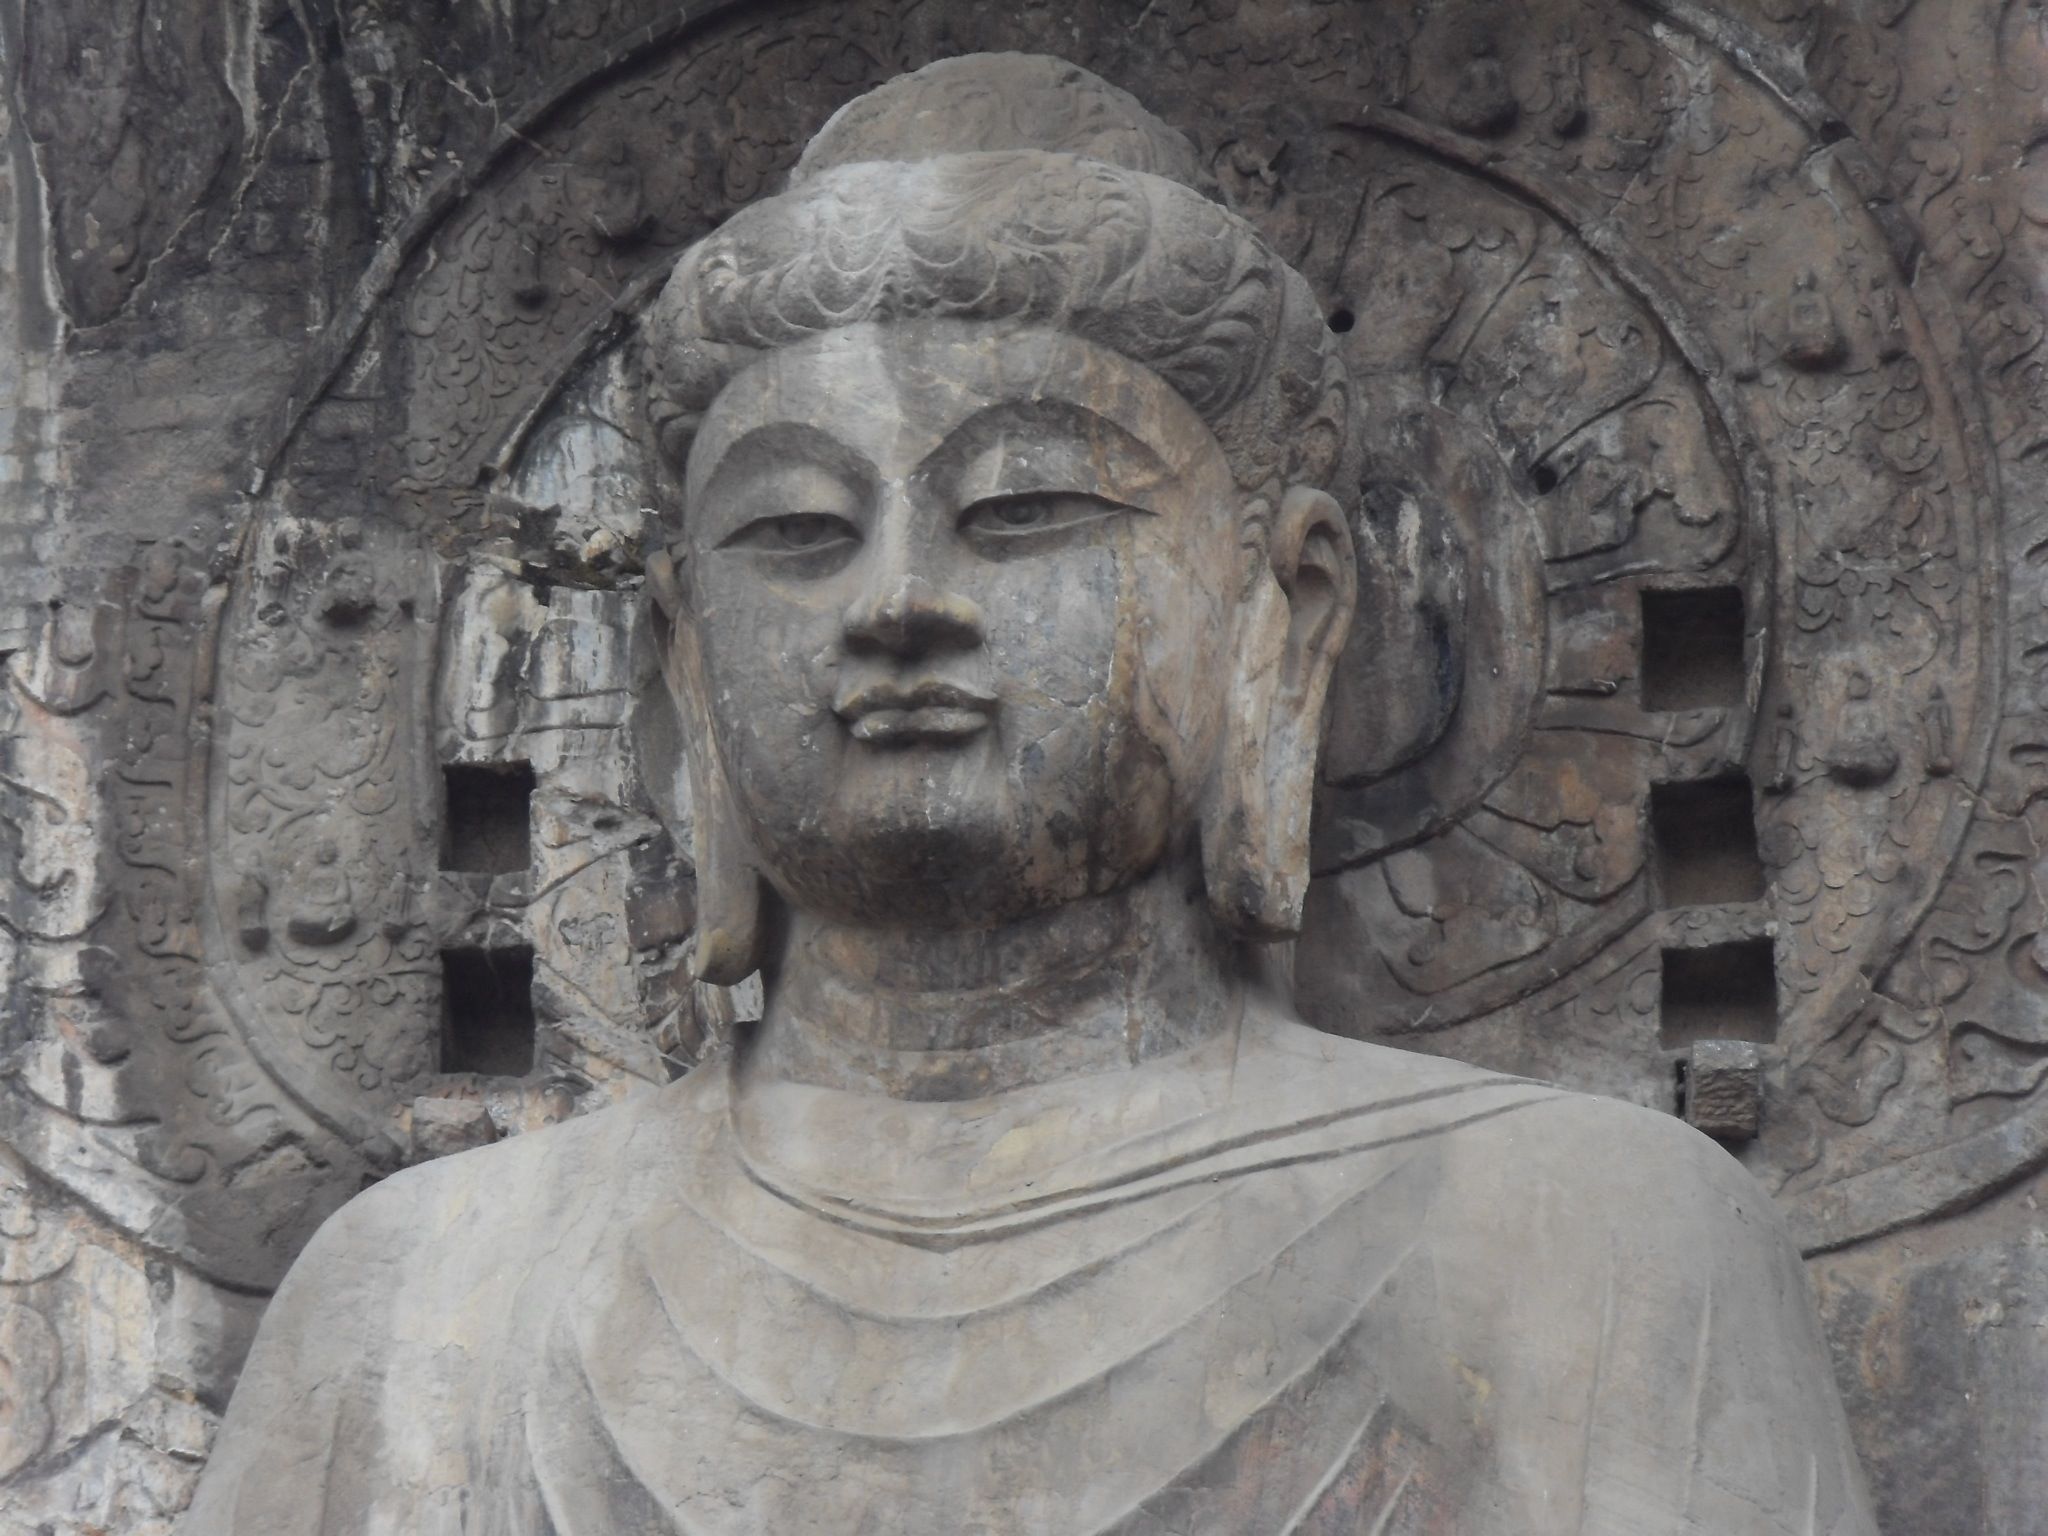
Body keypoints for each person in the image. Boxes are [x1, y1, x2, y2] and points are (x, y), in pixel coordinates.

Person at [184, 54, 1876, 1536]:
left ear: (1280, 617)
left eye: (1030, 508)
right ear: (682, 661)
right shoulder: (426, 1299)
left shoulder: (1590, 1241)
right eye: (794, 532)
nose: (897, 600)